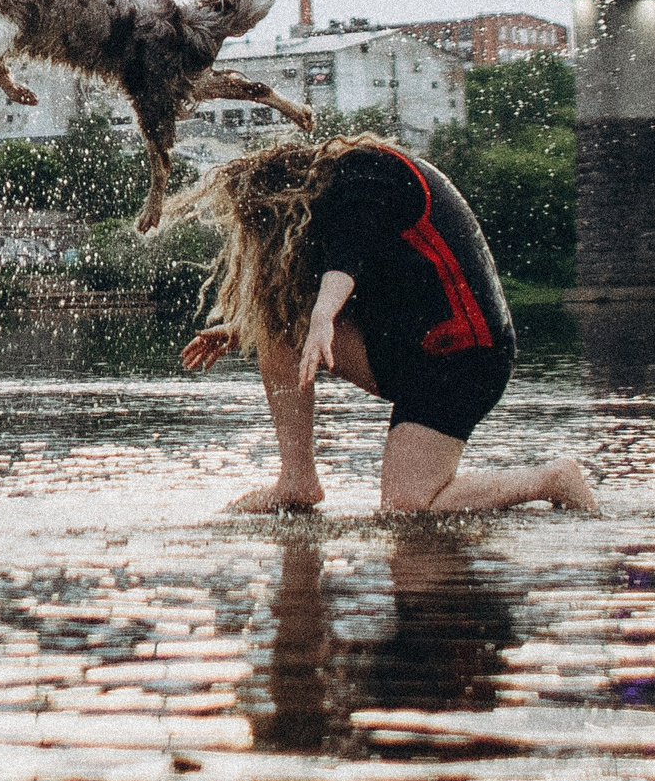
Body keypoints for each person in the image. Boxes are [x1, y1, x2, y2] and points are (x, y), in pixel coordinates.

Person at [167, 134, 598, 516]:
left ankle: (550, 479)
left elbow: (347, 257)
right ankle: (297, 482)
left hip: (465, 357)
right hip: (420, 348)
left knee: (409, 506)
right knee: (280, 330)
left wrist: (322, 315)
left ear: (285, 202)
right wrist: (243, 328)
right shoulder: (340, 204)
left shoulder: (364, 174)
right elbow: (347, 264)